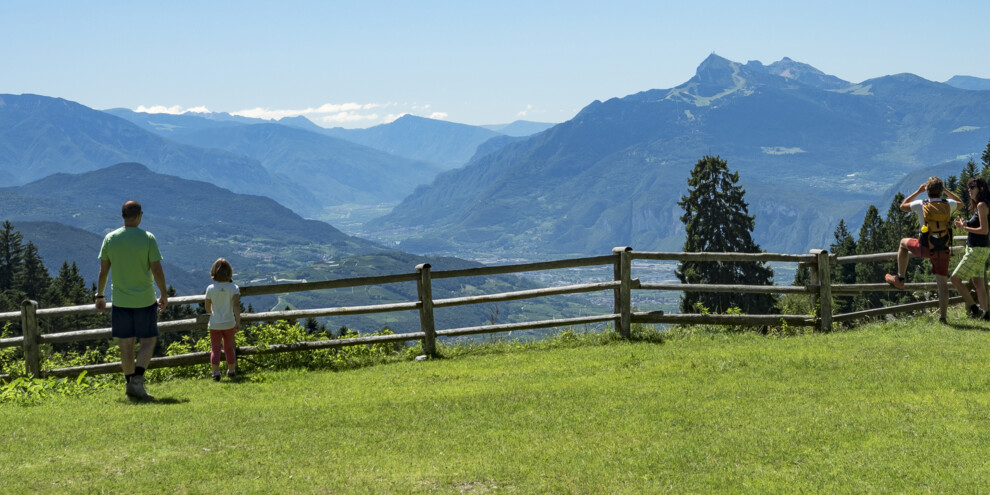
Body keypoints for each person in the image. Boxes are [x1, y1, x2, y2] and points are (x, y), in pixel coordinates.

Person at [96, 200, 168, 400]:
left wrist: (100, 295)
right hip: (145, 300)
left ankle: (130, 383)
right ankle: (137, 381)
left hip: (120, 301)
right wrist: (164, 293)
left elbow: (103, 271)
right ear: (139, 216)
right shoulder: (148, 238)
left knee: (125, 345)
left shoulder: (110, 239)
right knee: (148, 341)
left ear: (122, 216)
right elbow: (157, 269)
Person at [885, 177, 961, 323]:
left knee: (903, 243)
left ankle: (900, 278)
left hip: (925, 248)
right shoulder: (949, 204)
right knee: (942, 286)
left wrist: (917, 191)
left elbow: (902, 206)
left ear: (927, 191)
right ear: (940, 190)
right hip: (942, 249)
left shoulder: (921, 204)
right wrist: (946, 190)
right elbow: (961, 203)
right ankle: (943, 318)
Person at [950, 177, 990, 320]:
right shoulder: (982, 205)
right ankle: (985, 314)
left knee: (954, 279)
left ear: (981, 189)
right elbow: (978, 224)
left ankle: (975, 309)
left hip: (976, 249)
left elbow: (984, 230)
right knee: (979, 283)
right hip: (981, 249)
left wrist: (964, 227)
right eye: (968, 188)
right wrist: (965, 223)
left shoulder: (981, 205)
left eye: (972, 187)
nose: (969, 190)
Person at [205, 258, 240, 381]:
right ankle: (231, 370)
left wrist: (213, 313)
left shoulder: (210, 288)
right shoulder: (234, 288)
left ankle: (216, 372)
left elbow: (207, 307)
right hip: (229, 323)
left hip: (215, 324)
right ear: (229, 272)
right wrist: (238, 321)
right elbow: (236, 305)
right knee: (229, 348)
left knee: (215, 349)